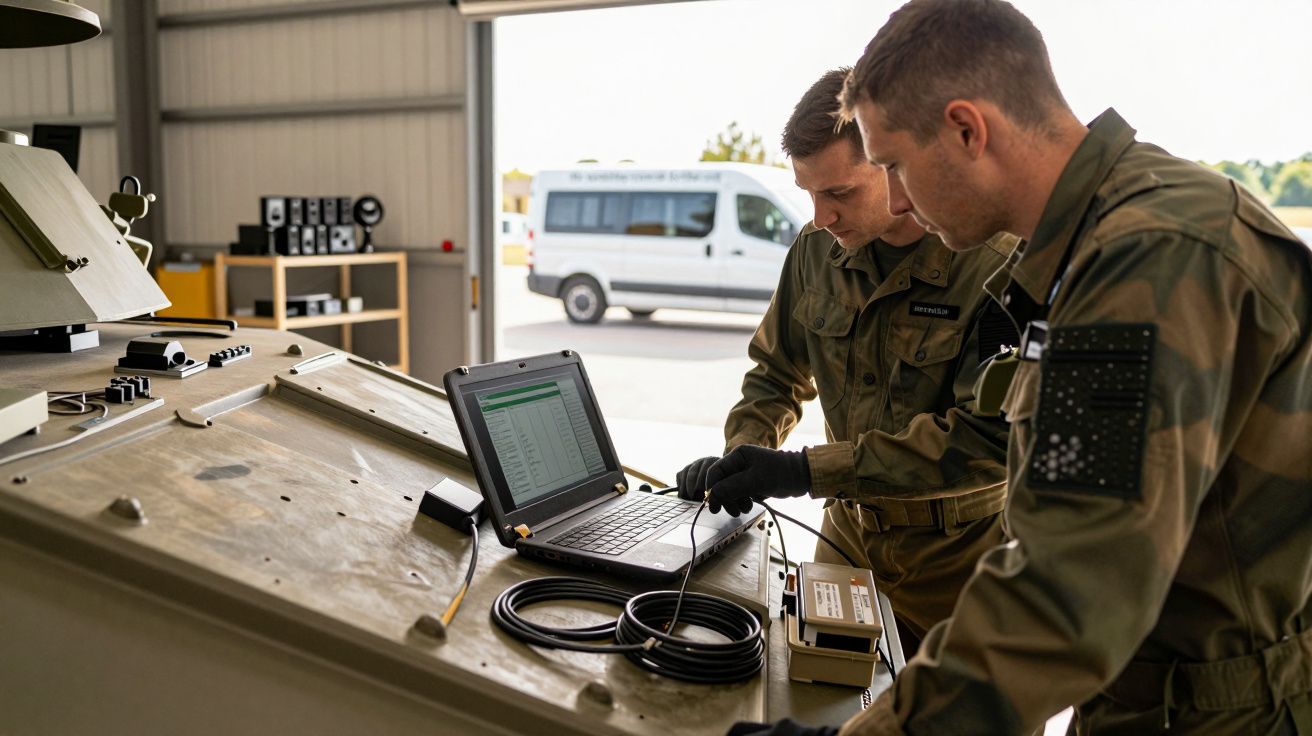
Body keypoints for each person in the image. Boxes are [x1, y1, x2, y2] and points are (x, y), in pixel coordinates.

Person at [731, 1, 1312, 733]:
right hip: (1157, 691)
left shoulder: (1148, 260)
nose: (898, 200)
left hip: (1214, 711)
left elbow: (1070, 591)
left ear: (968, 130)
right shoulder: (1106, 240)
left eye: (893, 167)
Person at [676, 68, 1019, 657]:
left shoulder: (995, 264)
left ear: (897, 164)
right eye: (808, 193)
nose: (819, 217)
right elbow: (775, 376)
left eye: (839, 194)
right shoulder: (815, 252)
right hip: (846, 541)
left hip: (959, 562)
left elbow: (987, 440)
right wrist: (743, 458)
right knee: (823, 700)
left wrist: (804, 472)